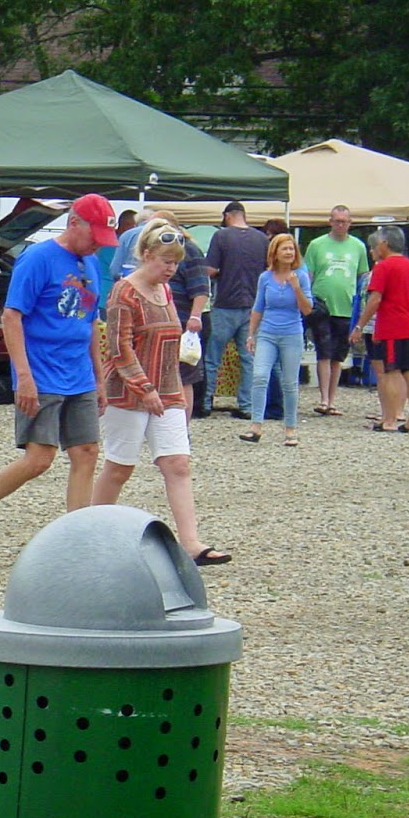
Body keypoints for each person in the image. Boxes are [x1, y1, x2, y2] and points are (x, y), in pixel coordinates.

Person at [0, 192, 118, 562]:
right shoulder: (39, 258)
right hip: (42, 373)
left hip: (79, 375)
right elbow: (11, 317)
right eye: (94, 236)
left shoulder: (90, 265)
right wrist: (23, 378)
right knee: (39, 459)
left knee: (87, 452)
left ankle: (77, 537)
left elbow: (90, 323)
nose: (97, 246)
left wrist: (100, 377)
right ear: (73, 223)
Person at [95, 221, 230, 566]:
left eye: (175, 262)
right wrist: (145, 388)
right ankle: (90, 529)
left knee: (178, 463)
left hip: (168, 388)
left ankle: (191, 543)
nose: (171, 268)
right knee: (119, 467)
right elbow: (119, 348)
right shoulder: (124, 291)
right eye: (165, 261)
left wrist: (173, 389)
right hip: (128, 391)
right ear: (146, 255)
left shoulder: (165, 291)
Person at [239, 234, 313, 447]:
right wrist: (251, 334)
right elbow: (258, 306)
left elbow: (307, 309)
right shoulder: (265, 277)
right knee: (260, 375)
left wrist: (296, 287)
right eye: (284, 249)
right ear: (275, 253)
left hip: (291, 332)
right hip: (268, 332)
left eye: (291, 249)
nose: (289, 252)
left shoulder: (301, 276)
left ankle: (290, 428)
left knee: (289, 382)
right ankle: (256, 426)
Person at [350, 226, 409, 433]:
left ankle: (390, 420)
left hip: (393, 327)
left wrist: (359, 325)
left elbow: (375, 300)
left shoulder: (383, 267)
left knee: (391, 372)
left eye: (375, 245)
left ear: (385, 244)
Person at [203, 201, 269, 418]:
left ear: (227, 216)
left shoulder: (221, 237)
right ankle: (247, 405)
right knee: (248, 358)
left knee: (213, 357)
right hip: (253, 304)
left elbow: (210, 270)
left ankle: (205, 401)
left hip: (225, 303)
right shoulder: (261, 239)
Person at [304, 205, 369, 416]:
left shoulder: (358, 247)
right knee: (324, 351)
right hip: (322, 304)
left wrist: (362, 308)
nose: (341, 224)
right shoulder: (317, 245)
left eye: (344, 221)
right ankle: (323, 398)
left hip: (346, 307)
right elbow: (309, 275)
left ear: (350, 223)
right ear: (330, 221)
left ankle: (332, 399)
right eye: (337, 220)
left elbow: (363, 278)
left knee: (338, 356)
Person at [168, 228, 211, 419]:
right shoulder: (151, 250)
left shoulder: (190, 250)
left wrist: (195, 317)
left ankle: (182, 428)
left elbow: (202, 287)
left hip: (183, 322)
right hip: (163, 323)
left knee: (184, 374)